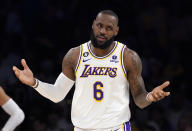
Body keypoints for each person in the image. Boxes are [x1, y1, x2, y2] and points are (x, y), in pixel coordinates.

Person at [13, 10, 170, 131]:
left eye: (109, 28)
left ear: (116, 31)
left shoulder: (128, 57)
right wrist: (34, 83)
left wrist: (150, 96)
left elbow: (139, 100)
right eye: (100, 26)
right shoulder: (74, 55)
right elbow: (57, 94)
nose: (102, 31)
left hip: (115, 127)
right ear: (93, 24)